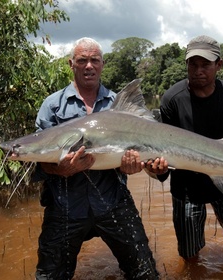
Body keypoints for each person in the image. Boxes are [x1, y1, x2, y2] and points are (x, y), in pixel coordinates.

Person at [33, 37, 160, 280]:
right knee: (49, 276)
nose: (88, 66)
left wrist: (133, 167)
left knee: (145, 274)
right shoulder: (52, 105)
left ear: (102, 64)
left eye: (94, 60)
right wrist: (59, 169)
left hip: (113, 201)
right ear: (72, 64)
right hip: (64, 205)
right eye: (82, 60)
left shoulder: (119, 106)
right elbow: (40, 156)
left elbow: (146, 155)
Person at [155, 35, 223, 268]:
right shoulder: (171, 100)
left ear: (219, 65)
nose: (198, 71)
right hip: (186, 183)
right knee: (189, 252)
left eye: (205, 64)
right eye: (192, 64)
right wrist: (158, 170)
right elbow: (161, 144)